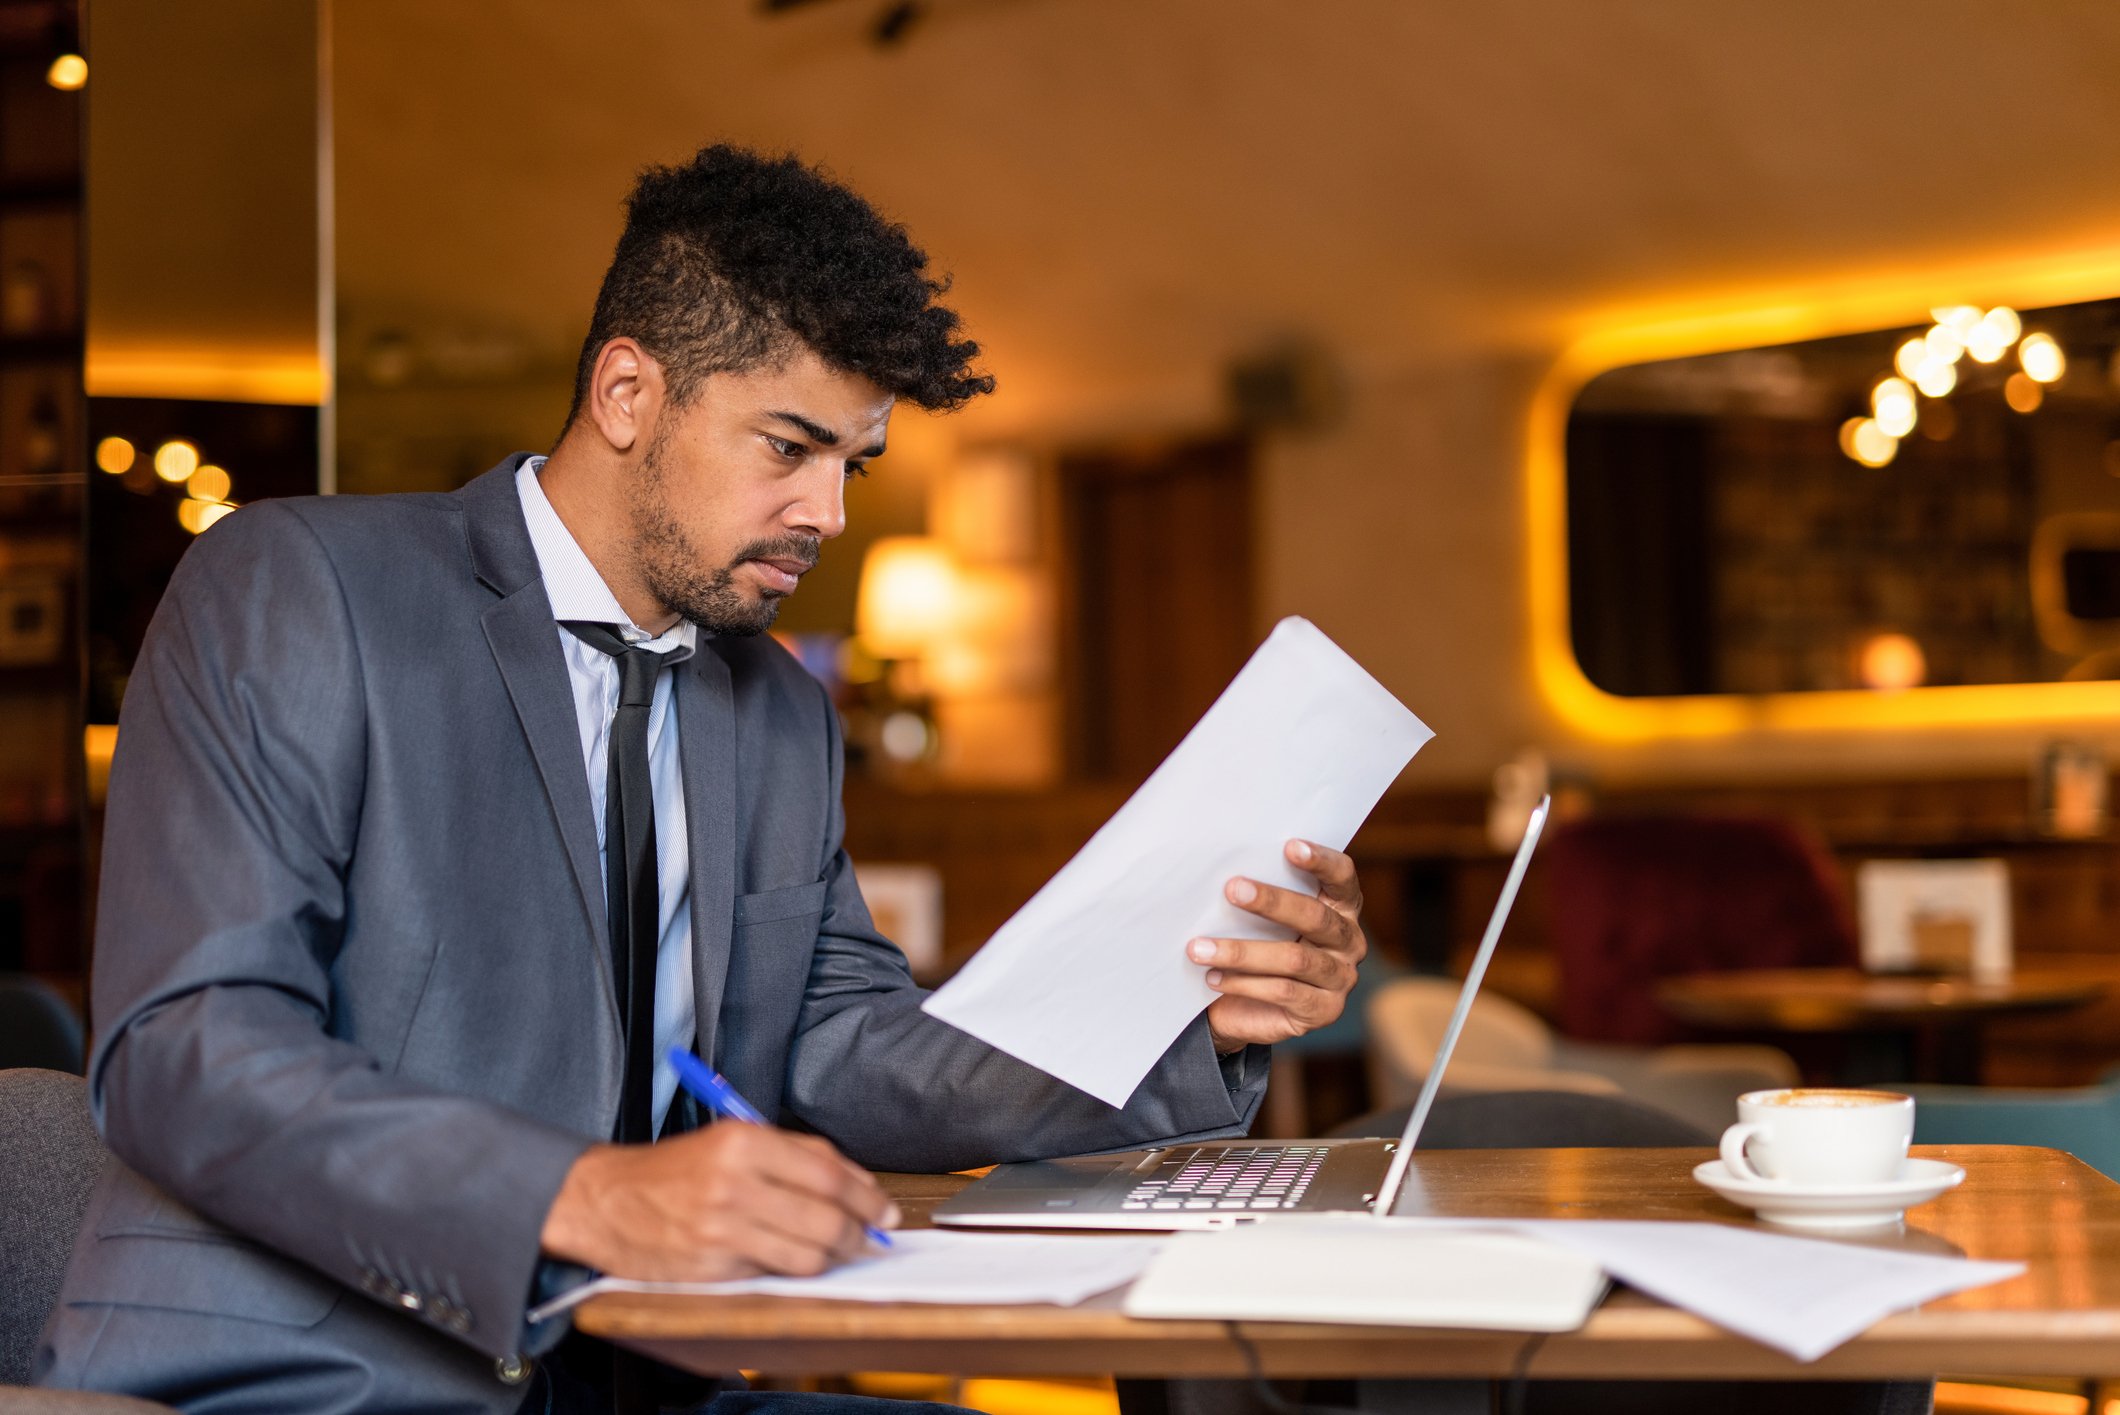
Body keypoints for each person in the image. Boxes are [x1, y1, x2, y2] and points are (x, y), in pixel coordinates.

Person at [36, 145, 1371, 1415]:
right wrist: (584, 1197)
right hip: (321, 1378)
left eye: (853, 464)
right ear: (627, 395)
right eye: (787, 447)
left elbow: (847, 1050)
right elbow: (183, 1047)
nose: (829, 515)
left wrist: (1193, 1008)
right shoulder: (303, 588)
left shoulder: (780, 710)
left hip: (648, 1376)